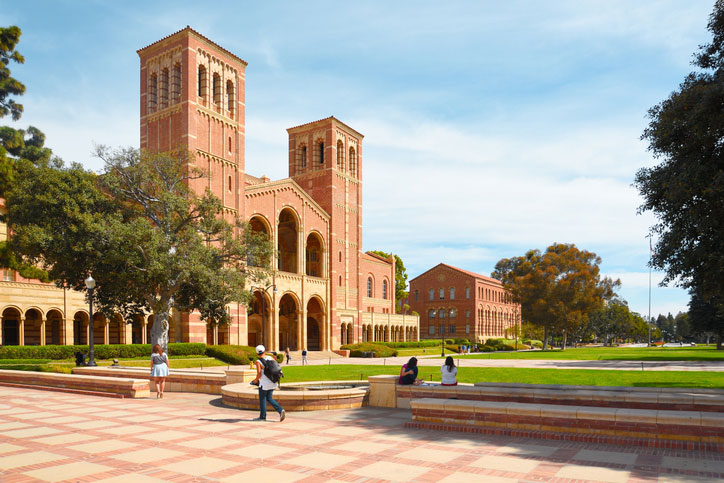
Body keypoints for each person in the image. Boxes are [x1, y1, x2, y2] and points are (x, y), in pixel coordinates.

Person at [251, 345, 285, 422]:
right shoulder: (271, 358)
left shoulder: (258, 361)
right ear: (265, 351)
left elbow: (259, 374)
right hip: (272, 382)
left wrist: (255, 380)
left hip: (264, 384)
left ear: (257, 353)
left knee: (262, 399)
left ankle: (262, 417)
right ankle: (280, 410)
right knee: (269, 398)